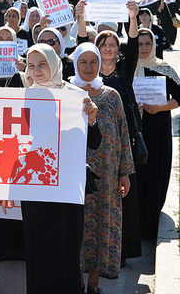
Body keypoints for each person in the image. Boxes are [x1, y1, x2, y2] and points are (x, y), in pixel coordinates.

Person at [9, 43, 98, 294]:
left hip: (66, 186)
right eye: (31, 65)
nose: (36, 71)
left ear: (54, 64)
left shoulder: (74, 96)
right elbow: (12, 143)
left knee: (66, 247)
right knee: (38, 248)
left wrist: (91, 120)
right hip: (35, 187)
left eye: (42, 64)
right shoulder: (22, 97)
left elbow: (94, 142)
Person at [72, 43, 133, 293]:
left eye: (93, 62)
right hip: (75, 174)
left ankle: (94, 282)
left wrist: (124, 172)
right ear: (75, 63)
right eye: (83, 62)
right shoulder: (66, 93)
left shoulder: (112, 96)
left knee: (101, 226)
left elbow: (123, 133)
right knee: (77, 227)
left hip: (107, 174)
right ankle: (76, 279)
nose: (88, 67)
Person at [134, 27, 180, 239]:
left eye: (147, 43)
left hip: (157, 127)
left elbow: (179, 98)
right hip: (135, 128)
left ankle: (152, 217)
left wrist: (161, 107)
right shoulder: (127, 67)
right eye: (139, 44)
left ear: (153, 45)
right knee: (137, 173)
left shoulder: (164, 68)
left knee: (155, 170)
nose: (144, 48)